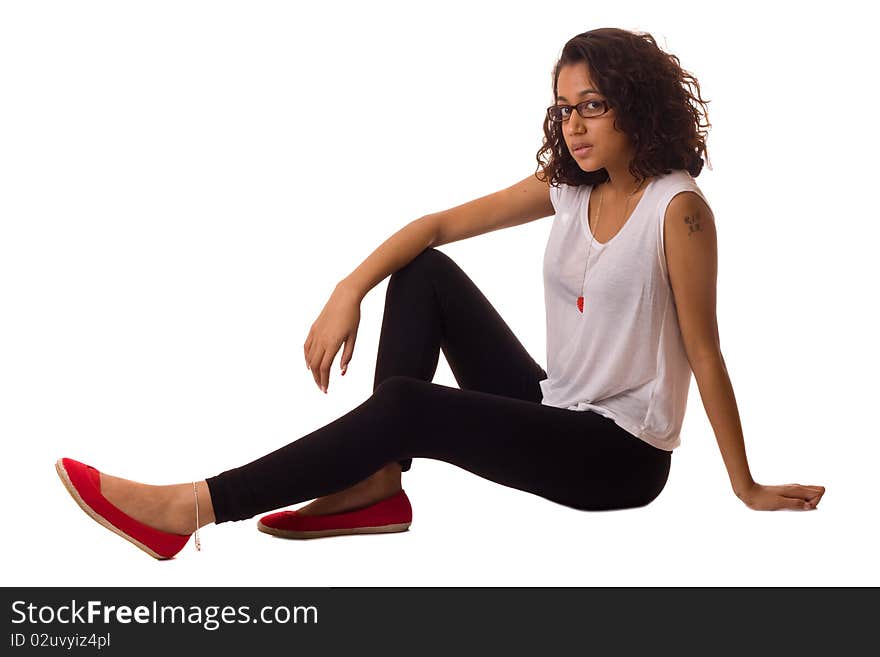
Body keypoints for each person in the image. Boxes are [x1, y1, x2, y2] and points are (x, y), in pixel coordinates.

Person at [56, 27, 825, 560]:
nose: (575, 124)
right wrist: (349, 286)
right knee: (421, 271)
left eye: (593, 104)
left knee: (408, 408)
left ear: (637, 103)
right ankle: (379, 485)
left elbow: (705, 350)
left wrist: (745, 485)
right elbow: (436, 225)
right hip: (558, 407)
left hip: (616, 458)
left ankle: (186, 507)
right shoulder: (568, 185)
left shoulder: (678, 209)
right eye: (564, 107)